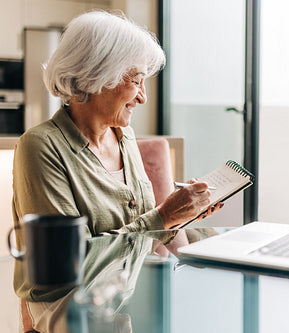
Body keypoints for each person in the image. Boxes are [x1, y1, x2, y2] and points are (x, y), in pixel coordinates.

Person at [12, 10, 222, 332]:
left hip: (128, 300)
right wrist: (164, 216)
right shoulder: (40, 147)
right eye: (136, 80)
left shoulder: (123, 136)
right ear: (97, 75)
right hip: (75, 314)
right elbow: (69, 265)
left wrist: (185, 213)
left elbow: (144, 234)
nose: (143, 96)